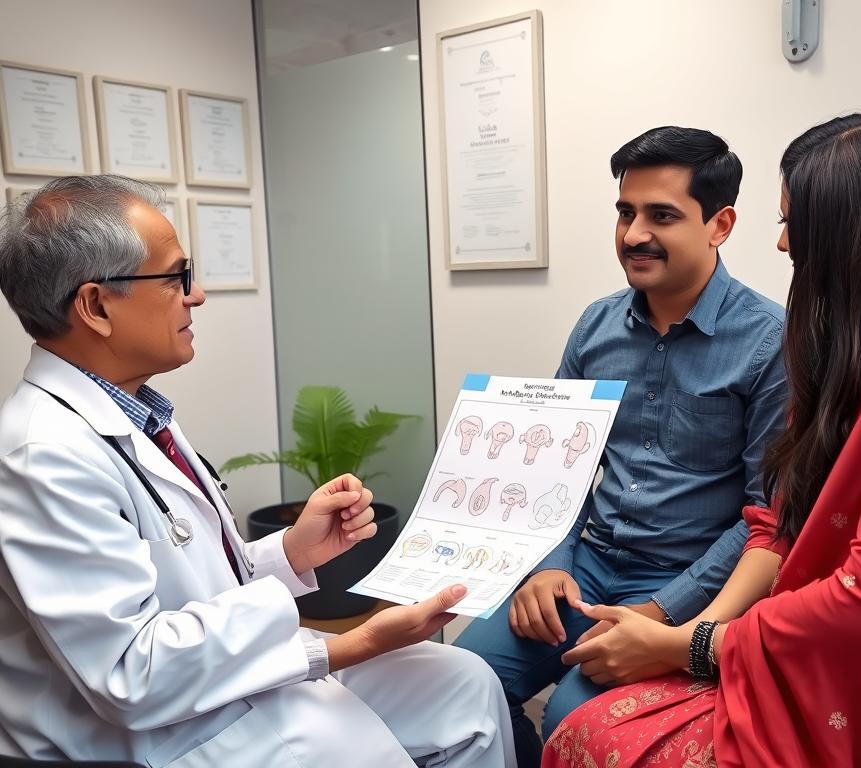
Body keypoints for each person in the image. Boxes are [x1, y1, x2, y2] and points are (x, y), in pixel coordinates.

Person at [542, 114, 861, 767]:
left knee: (586, 729)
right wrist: (558, 568)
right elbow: (780, 517)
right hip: (672, 590)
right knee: (529, 693)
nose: (784, 245)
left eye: (795, 223)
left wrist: (688, 638)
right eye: (625, 213)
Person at [0, 175, 515, 767]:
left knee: (463, 684)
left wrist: (291, 553)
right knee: (354, 749)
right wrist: (353, 645)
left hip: (224, 674)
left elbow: (193, 578)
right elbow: (131, 676)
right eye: (176, 278)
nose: (196, 297)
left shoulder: (135, 409)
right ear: (95, 306)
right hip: (155, 730)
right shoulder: (42, 456)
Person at [455, 126, 787, 766]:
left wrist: (666, 615)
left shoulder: (770, 341)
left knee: (572, 715)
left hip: (683, 582)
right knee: (462, 679)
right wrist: (547, 562)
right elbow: (556, 467)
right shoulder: (597, 324)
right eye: (626, 212)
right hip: (582, 565)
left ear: (720, 224)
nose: (634, 234)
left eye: (661, 215)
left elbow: (766, 515)